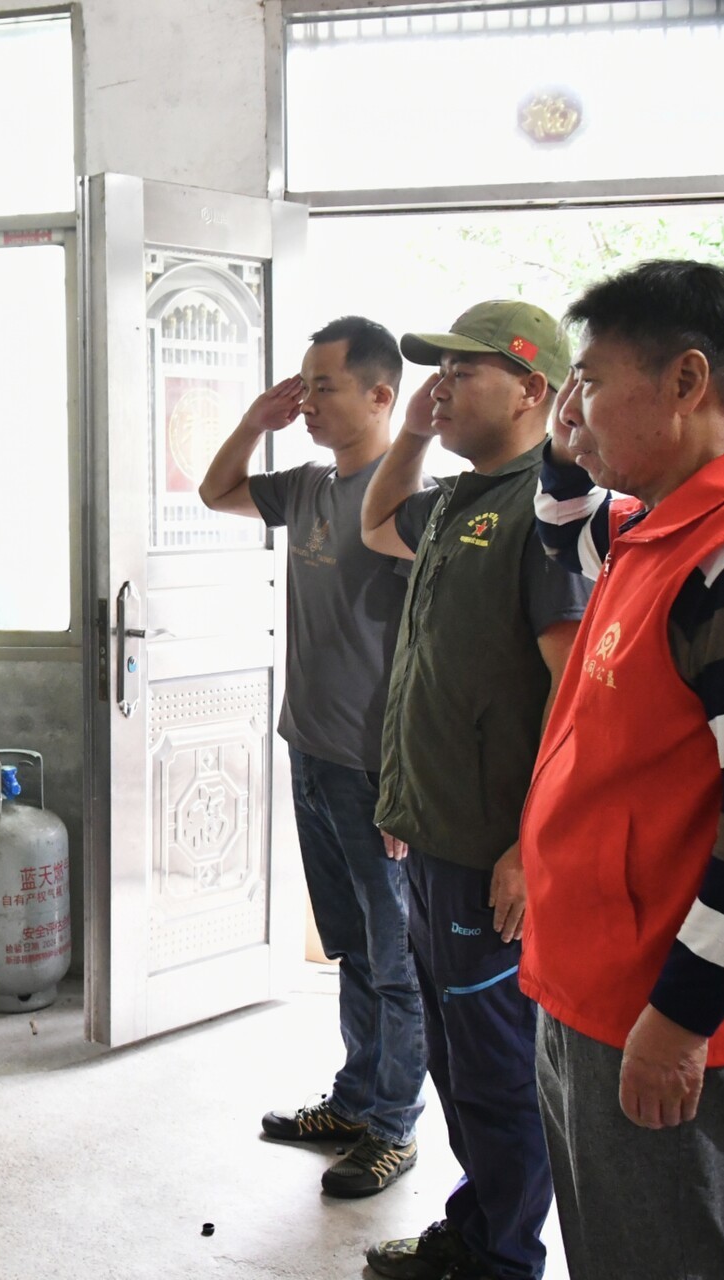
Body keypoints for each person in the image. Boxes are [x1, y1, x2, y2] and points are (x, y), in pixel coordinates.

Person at [520, 261, 724, 1280]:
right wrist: (569, 444)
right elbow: (561, 530)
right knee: (608, 1245)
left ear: (686, 380)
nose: (573, 410)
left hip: (656, 1001)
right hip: (593, 975)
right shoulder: (657, 528)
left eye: (591, 383)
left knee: (656, 1256)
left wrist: (679, 1021)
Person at [359, 301, 592, 1280]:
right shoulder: (462, 499)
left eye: (465, 371)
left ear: (534, 388)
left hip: (492, 859)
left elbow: (577, 703)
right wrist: (412, 434)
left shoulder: (549, 516)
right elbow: (377, 523)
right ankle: (478, 1226)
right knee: (456, 1062)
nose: (441, 386)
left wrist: (530, 850)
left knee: (498, 1074)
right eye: (438, 371)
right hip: (435, 838)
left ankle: (502, 1260)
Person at [198, 316, 428, 1199]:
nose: (308, 404)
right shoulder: (305, 487)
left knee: (397, 960)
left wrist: (408, 782)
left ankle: (394, 1127)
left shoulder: (408, 501)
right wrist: (254, 421)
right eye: (303, 387)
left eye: (323, 387)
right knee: (354, 948)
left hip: (377, 770)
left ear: (381, 394)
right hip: (313, 750)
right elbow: (217, 492)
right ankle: (355, 1100)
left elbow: (432, 654)